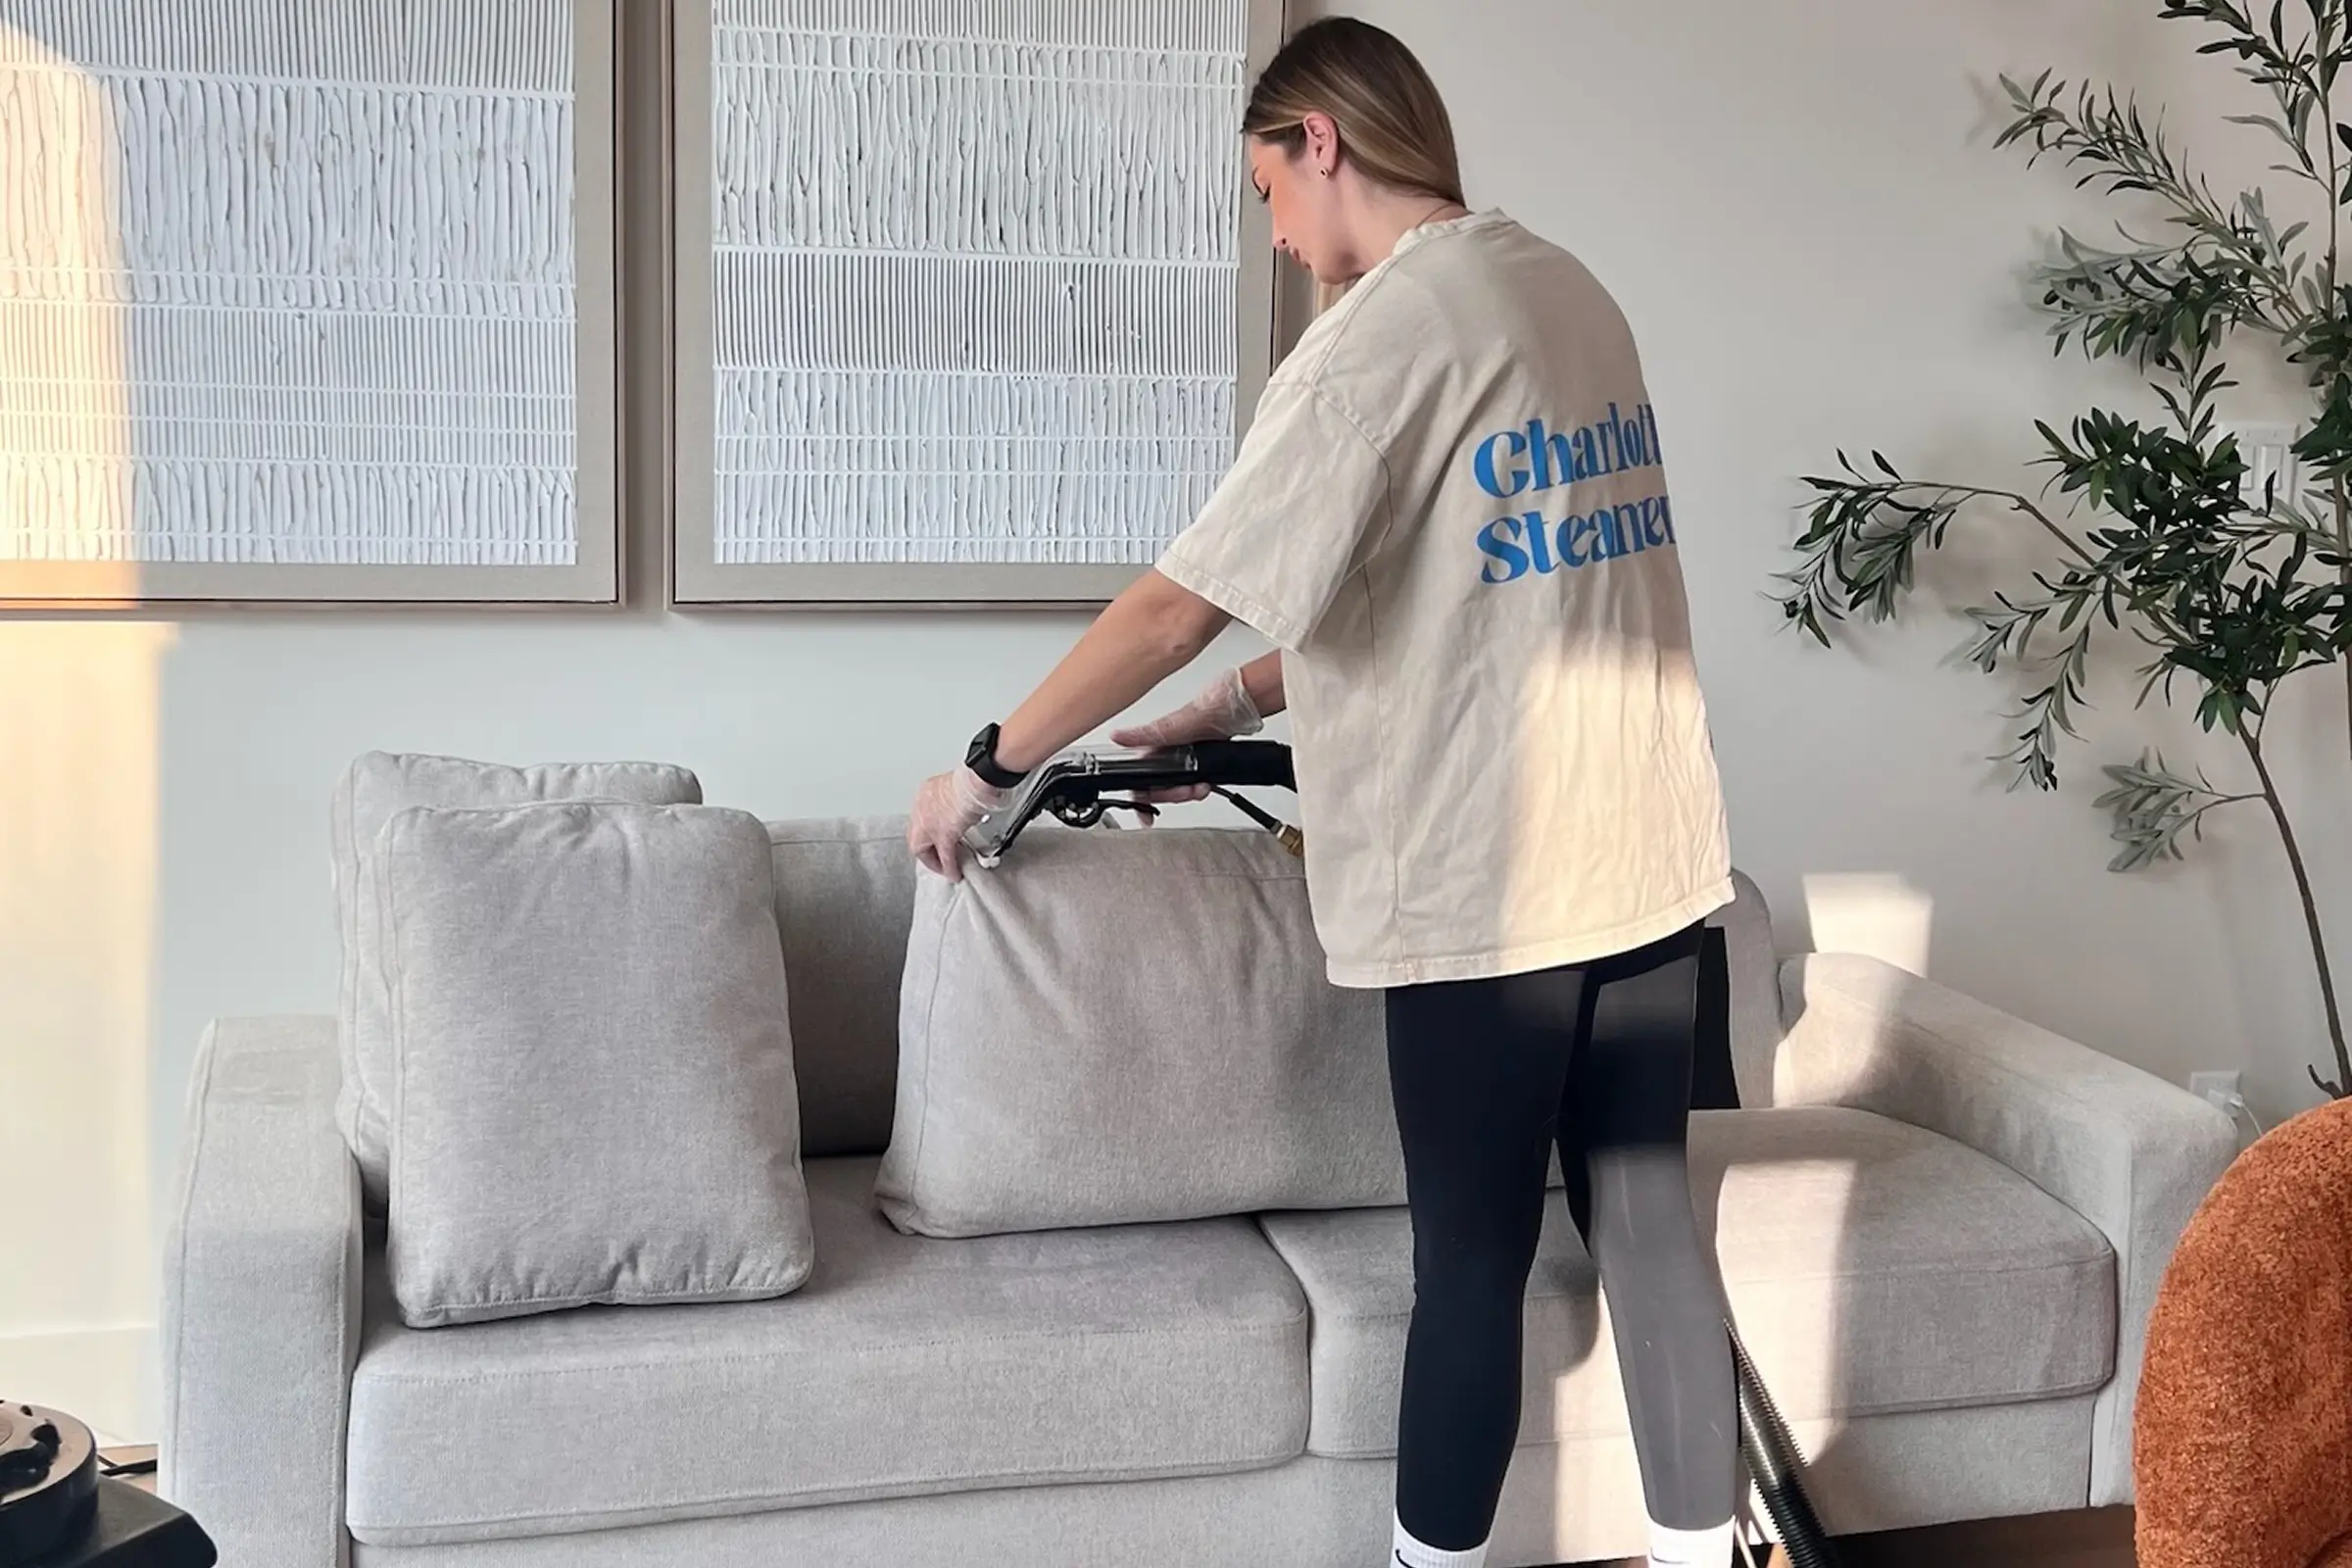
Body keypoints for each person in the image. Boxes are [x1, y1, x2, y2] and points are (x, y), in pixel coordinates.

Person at [906, 17, 1740, 1568]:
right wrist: (1218, 713)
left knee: (1474, 1265)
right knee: (1646, 1230)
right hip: (1654, 856)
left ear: (1320, 142)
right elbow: (1481, 586)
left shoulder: (1378, 340)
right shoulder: (1567, 290)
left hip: (1496, 889)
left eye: (1265, 193)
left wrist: (988, 762)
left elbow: (1177, 601)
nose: (1280, 239)